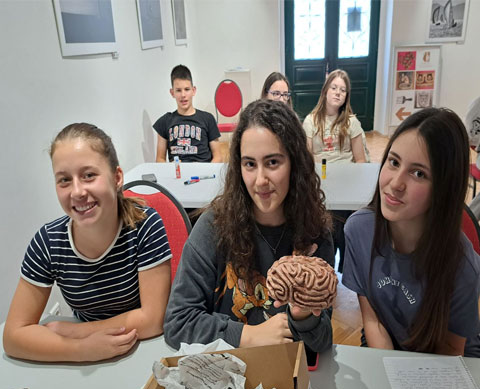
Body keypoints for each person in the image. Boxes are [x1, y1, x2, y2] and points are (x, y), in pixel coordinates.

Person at [164, 100, 334, 362]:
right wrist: (248, 335)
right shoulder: (214, 226)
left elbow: (321, 342)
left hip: (286, 370)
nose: (260, 180)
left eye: (273, 162)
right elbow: (178, 323)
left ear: (295, 163)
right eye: (250, 164)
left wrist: (302, 316)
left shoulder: (314, 232)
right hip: (225, 370)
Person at [3, 123, 172, 362]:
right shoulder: (47, 242)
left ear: (117, 177)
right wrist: (81, 349)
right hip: (88, 359)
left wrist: (76, 332)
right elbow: (13, 336)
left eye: (89, 175)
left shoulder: (145, 226)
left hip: (143, 350)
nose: (77, 192)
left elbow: (153, 319)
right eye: (64, 180)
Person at [342, 107, 480, 357]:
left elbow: (450, 352)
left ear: (444, 188)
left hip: (446, 362)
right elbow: (373, 320)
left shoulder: (463, 265)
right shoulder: (358, 230)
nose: (396, 183)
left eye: (418, 173)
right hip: (389, 349)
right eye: (394, 162)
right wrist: (390, 369)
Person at [303, 69, 368, 272]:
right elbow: (307, 158)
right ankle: (325, 264)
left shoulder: (351, 122)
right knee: (325, 221)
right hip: (321, 179)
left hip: (346, 182)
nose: (338, 93)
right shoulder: (311, 121)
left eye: (343, 90)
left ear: (347, 96)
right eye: (334, 87)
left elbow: (360, 160)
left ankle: (345, 266)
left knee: (343, 223)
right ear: (325, 91)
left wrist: (358, 190)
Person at [154, 64, 222, 163]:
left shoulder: (208, 119)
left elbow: (218, 157)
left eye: (187, 89)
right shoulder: (164, 122)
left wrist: (207, 170)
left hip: (202, 170)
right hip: (177, 171)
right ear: (172, 93)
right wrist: (169, 168)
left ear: (193, 91)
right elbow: (160, 158)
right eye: (178, 90)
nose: (183, 95)